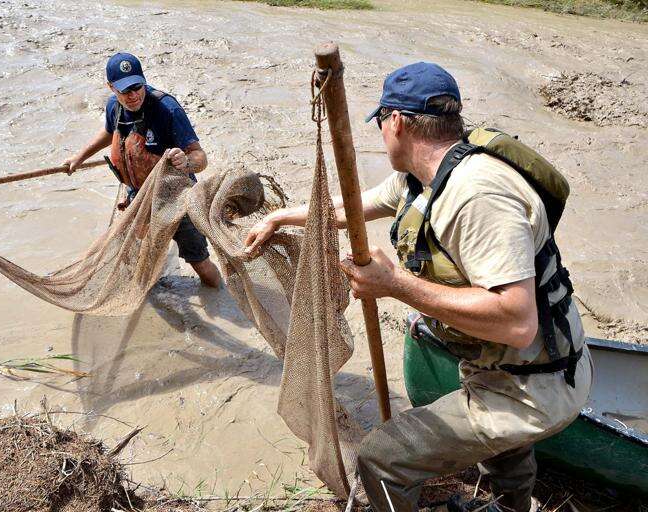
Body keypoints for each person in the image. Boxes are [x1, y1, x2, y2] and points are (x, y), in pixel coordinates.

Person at [243, 62, 591, 512]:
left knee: (383, 459)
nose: (381, 134)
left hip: (534, 388)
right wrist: (279, 216)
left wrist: (396, 284)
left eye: (381, 123)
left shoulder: (477, 195)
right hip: (510, 369)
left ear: (398, 122)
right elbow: (355, 205)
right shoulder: (424, 177)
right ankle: (512, 507)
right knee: (504, 454)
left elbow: (518, 320)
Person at [65, 52, 220, 288]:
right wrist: (79, 157)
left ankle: (220, 296)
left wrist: (186, 162)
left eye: (137, 87)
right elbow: (109, 132)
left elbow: (200, 157)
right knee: (131, 257)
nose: (133, 95)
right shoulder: (114, 108)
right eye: (125, 90)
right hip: (139, 196)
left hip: (177, 199)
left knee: (200, 264)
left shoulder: (167, 109)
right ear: (111, 88)